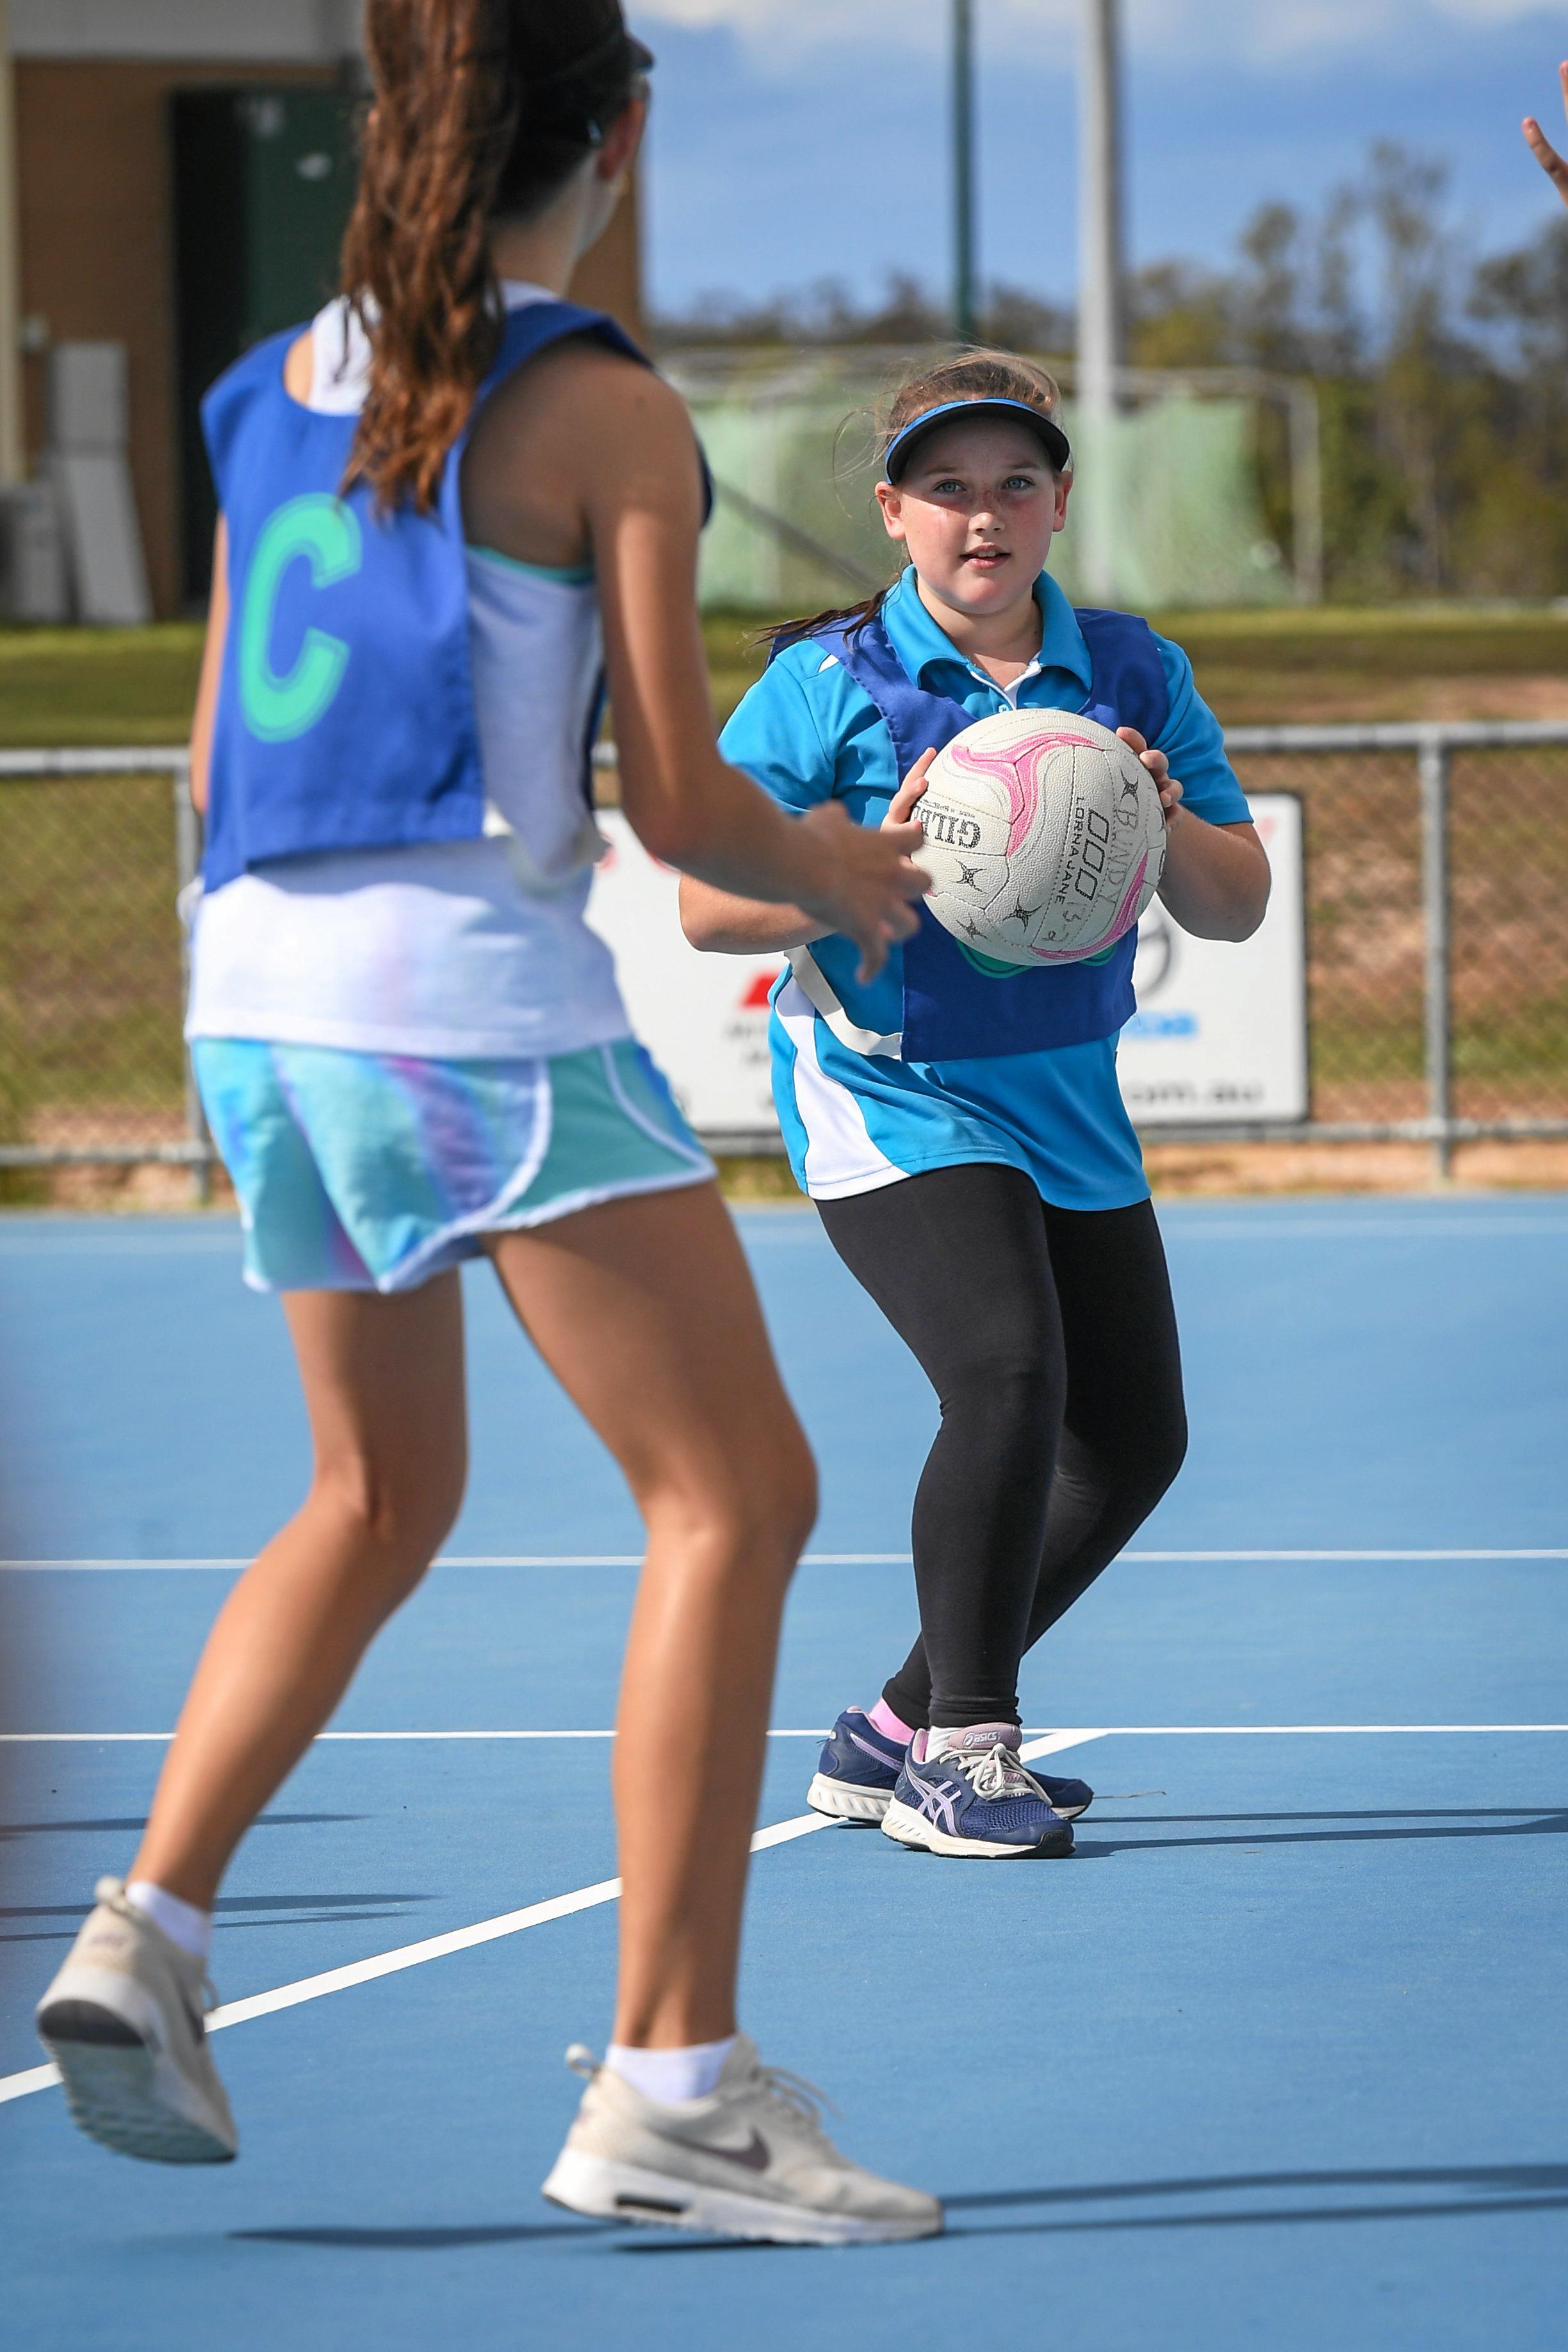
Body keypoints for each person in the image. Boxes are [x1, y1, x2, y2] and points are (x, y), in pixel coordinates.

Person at [36, 0, 940, 2248]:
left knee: (368, 1491)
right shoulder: (602, 401)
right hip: (465, 1006)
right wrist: (845, 877)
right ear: (617, 131)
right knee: (733, 1487)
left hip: (255, 1001)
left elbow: (204, 753)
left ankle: (145, 1926)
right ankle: (673, 2087)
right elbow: (678, 792)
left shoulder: (265, 387)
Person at [681, 352, 1271, 1860]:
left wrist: (1150, 818)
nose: (983, 515)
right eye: (947, 487)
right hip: (895, 1092)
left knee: (1132, 1444)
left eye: (1016, 483)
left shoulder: (1134, 672)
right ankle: (966, 1749)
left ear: (1062, 502)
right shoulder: (824, 685)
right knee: (1009, 1375)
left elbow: (1238, 905)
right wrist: (841, 870)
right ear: (894, 513)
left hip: (1066, 1102)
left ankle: (890, 1725)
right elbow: (702, 907)